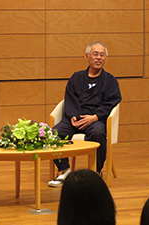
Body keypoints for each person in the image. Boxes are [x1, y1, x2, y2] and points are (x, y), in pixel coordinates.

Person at [48, 41, 122, 187]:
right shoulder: (76, 77)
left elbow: (111, 103)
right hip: (73, 118)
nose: (99, 58)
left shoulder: (110, 81)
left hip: (95, 120)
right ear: (87, 57)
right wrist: (73, 116)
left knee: (98, 134)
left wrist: (94, 117)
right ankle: (65, 170)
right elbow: (69, 99)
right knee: (52, 134)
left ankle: (96, 171)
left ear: (106, 58)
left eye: (102, 55)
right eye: (95, 54)